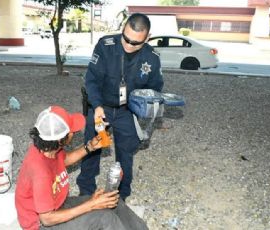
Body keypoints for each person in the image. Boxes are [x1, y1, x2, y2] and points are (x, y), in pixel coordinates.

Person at [15, 105, 149, 230]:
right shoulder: (40, 171)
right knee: (104, 217)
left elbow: (64, 160)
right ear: (60, 139)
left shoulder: (47, 147)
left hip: (59, 204)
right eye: (71, 131)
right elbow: (47, 219)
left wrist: (90, 147)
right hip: (42, 224)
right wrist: (92, 204)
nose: (74, 132)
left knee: (111, 200)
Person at [77, 13, 164, 201]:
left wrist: (145, 110)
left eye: (136, 43)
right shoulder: (105, 45)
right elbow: (91, 81)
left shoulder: (152, 57)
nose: (129, 45)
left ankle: (122, 194)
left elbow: (155, 89)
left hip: (128, 112)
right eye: (126, 38)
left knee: (125, 154)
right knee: (93, 147)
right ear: (123, 28)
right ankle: (85, 190)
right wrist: (97, 107)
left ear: (147, 38)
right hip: (102, 107)